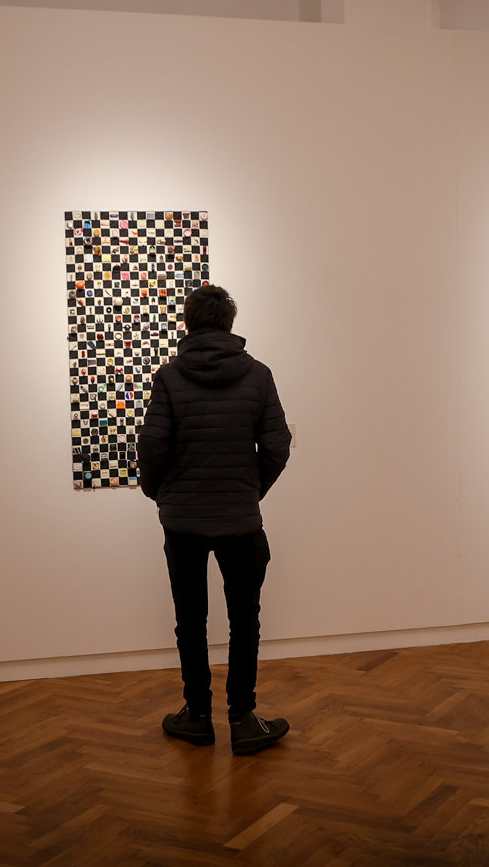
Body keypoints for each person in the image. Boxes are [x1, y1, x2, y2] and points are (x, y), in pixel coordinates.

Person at [137, 285, 292, 754]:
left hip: (182, 522)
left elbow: (152, 447)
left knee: (190, 621)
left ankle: (198, 717)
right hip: (241, 522)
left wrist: (161, 494)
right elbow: (277, 446)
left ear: (188, 323)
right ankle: (243, 720)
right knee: (245, 620)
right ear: (229, 322)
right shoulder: (258, 375)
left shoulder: (169, 378)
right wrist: (250, 491)